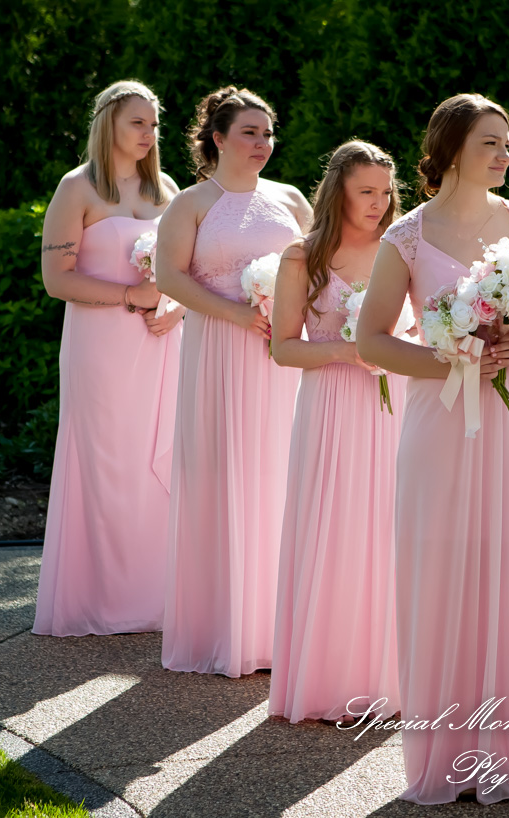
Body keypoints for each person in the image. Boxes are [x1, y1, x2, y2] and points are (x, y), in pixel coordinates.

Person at [356, 93, 509, 804]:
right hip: (441, 422)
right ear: (452, 151)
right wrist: (450, 360)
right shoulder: (406, 238)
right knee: (442, 568)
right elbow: (372, 340)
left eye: (506, 143)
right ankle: (446, 758)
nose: (506, 155)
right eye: (491, 143)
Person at [156, 86, 311, 677]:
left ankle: (279, 627)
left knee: (280, 473)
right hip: (222, 347)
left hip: (281, 354)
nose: (262, 144)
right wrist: (237, 314)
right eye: (249, 133)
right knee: (227, 473)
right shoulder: (193, 203)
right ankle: (224, 629)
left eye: (268, 133)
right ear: (217, 138)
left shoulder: (291, 199)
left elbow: (322, 261)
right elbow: (170, 275)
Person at [34, 80, 183, 637]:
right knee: (108, 464)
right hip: (101, 346)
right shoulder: (77, 189)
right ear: (109, 126)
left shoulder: (165, 187)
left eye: (154, 124)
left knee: (159, 461)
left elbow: (183, 273)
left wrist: (176, 310)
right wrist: (129, 295)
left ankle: (160, 600)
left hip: (161, 341)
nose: (149, 133)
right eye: (137, 123)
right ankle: (106, 601)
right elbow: (55, 279)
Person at [268, 141, 404, 724]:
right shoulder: (303, 256)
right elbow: (283, 347)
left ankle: (391, 679)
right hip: (329, 407)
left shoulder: (402, 249)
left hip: (396, 404)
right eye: (365, 191)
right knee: (334, 529)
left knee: (390, 529)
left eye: (384, 191)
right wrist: (353, 349)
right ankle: (328, 680)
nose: (378, 203)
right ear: (338, 192)